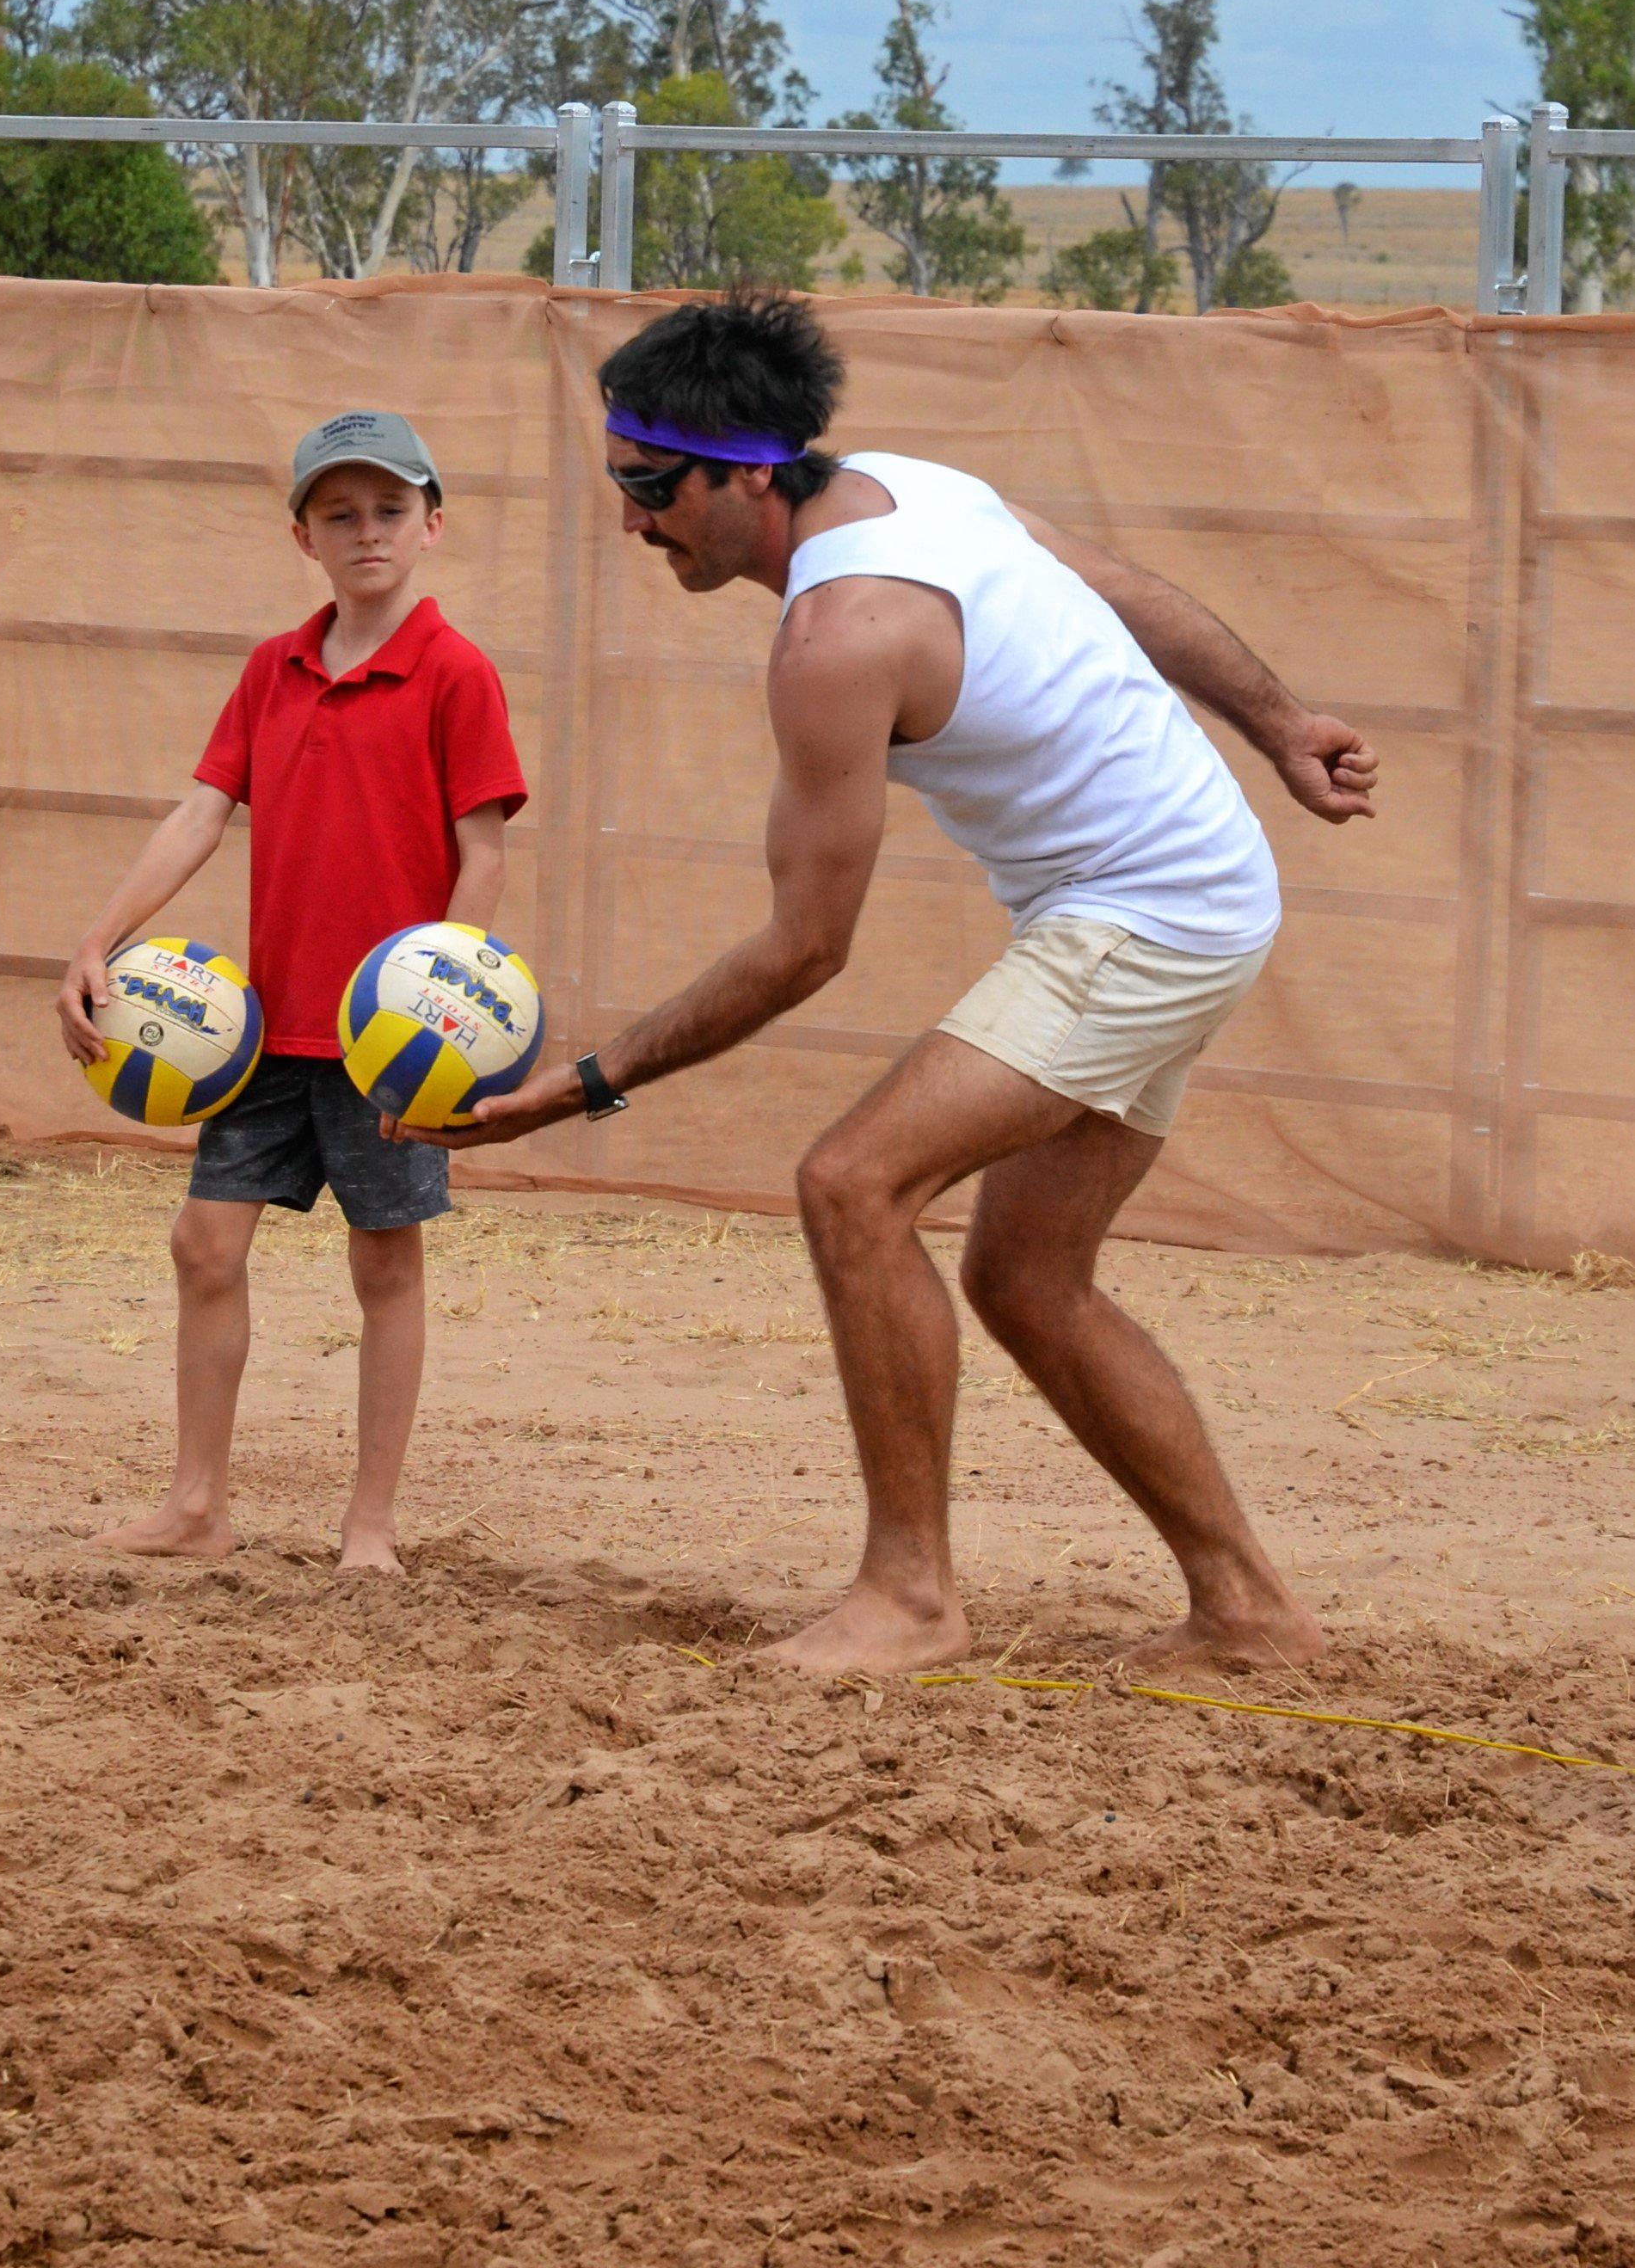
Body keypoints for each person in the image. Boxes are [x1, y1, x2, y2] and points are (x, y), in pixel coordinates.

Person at [399, 296, 1377, 1675]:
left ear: (744, 470)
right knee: (1028, 1278)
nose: (631, 521)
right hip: (1189, 890)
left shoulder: (836, 636)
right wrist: (1277, 725)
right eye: (617, 483)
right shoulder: (913, 487)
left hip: (1147, 915)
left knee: (852, 1182)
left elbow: (806, 948)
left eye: (649, 487)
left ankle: (909, 1595)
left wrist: (580, 1086)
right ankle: (1250, 1613)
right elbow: (1118, 587)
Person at [58, 411, 527, 1571]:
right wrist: (99, 937)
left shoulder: (455, 672)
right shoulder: (272, 667)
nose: (364, 531)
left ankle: (368, 1524)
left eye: (386, 509)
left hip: (387, 1048)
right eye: (337, 512)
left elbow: (485, 849)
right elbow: (202, 812)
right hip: (261, 1032)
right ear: (303, 535)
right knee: (204, 1244)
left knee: (385, 1263)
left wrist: (437, 1012)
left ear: (430, 522)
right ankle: (196, 1505)